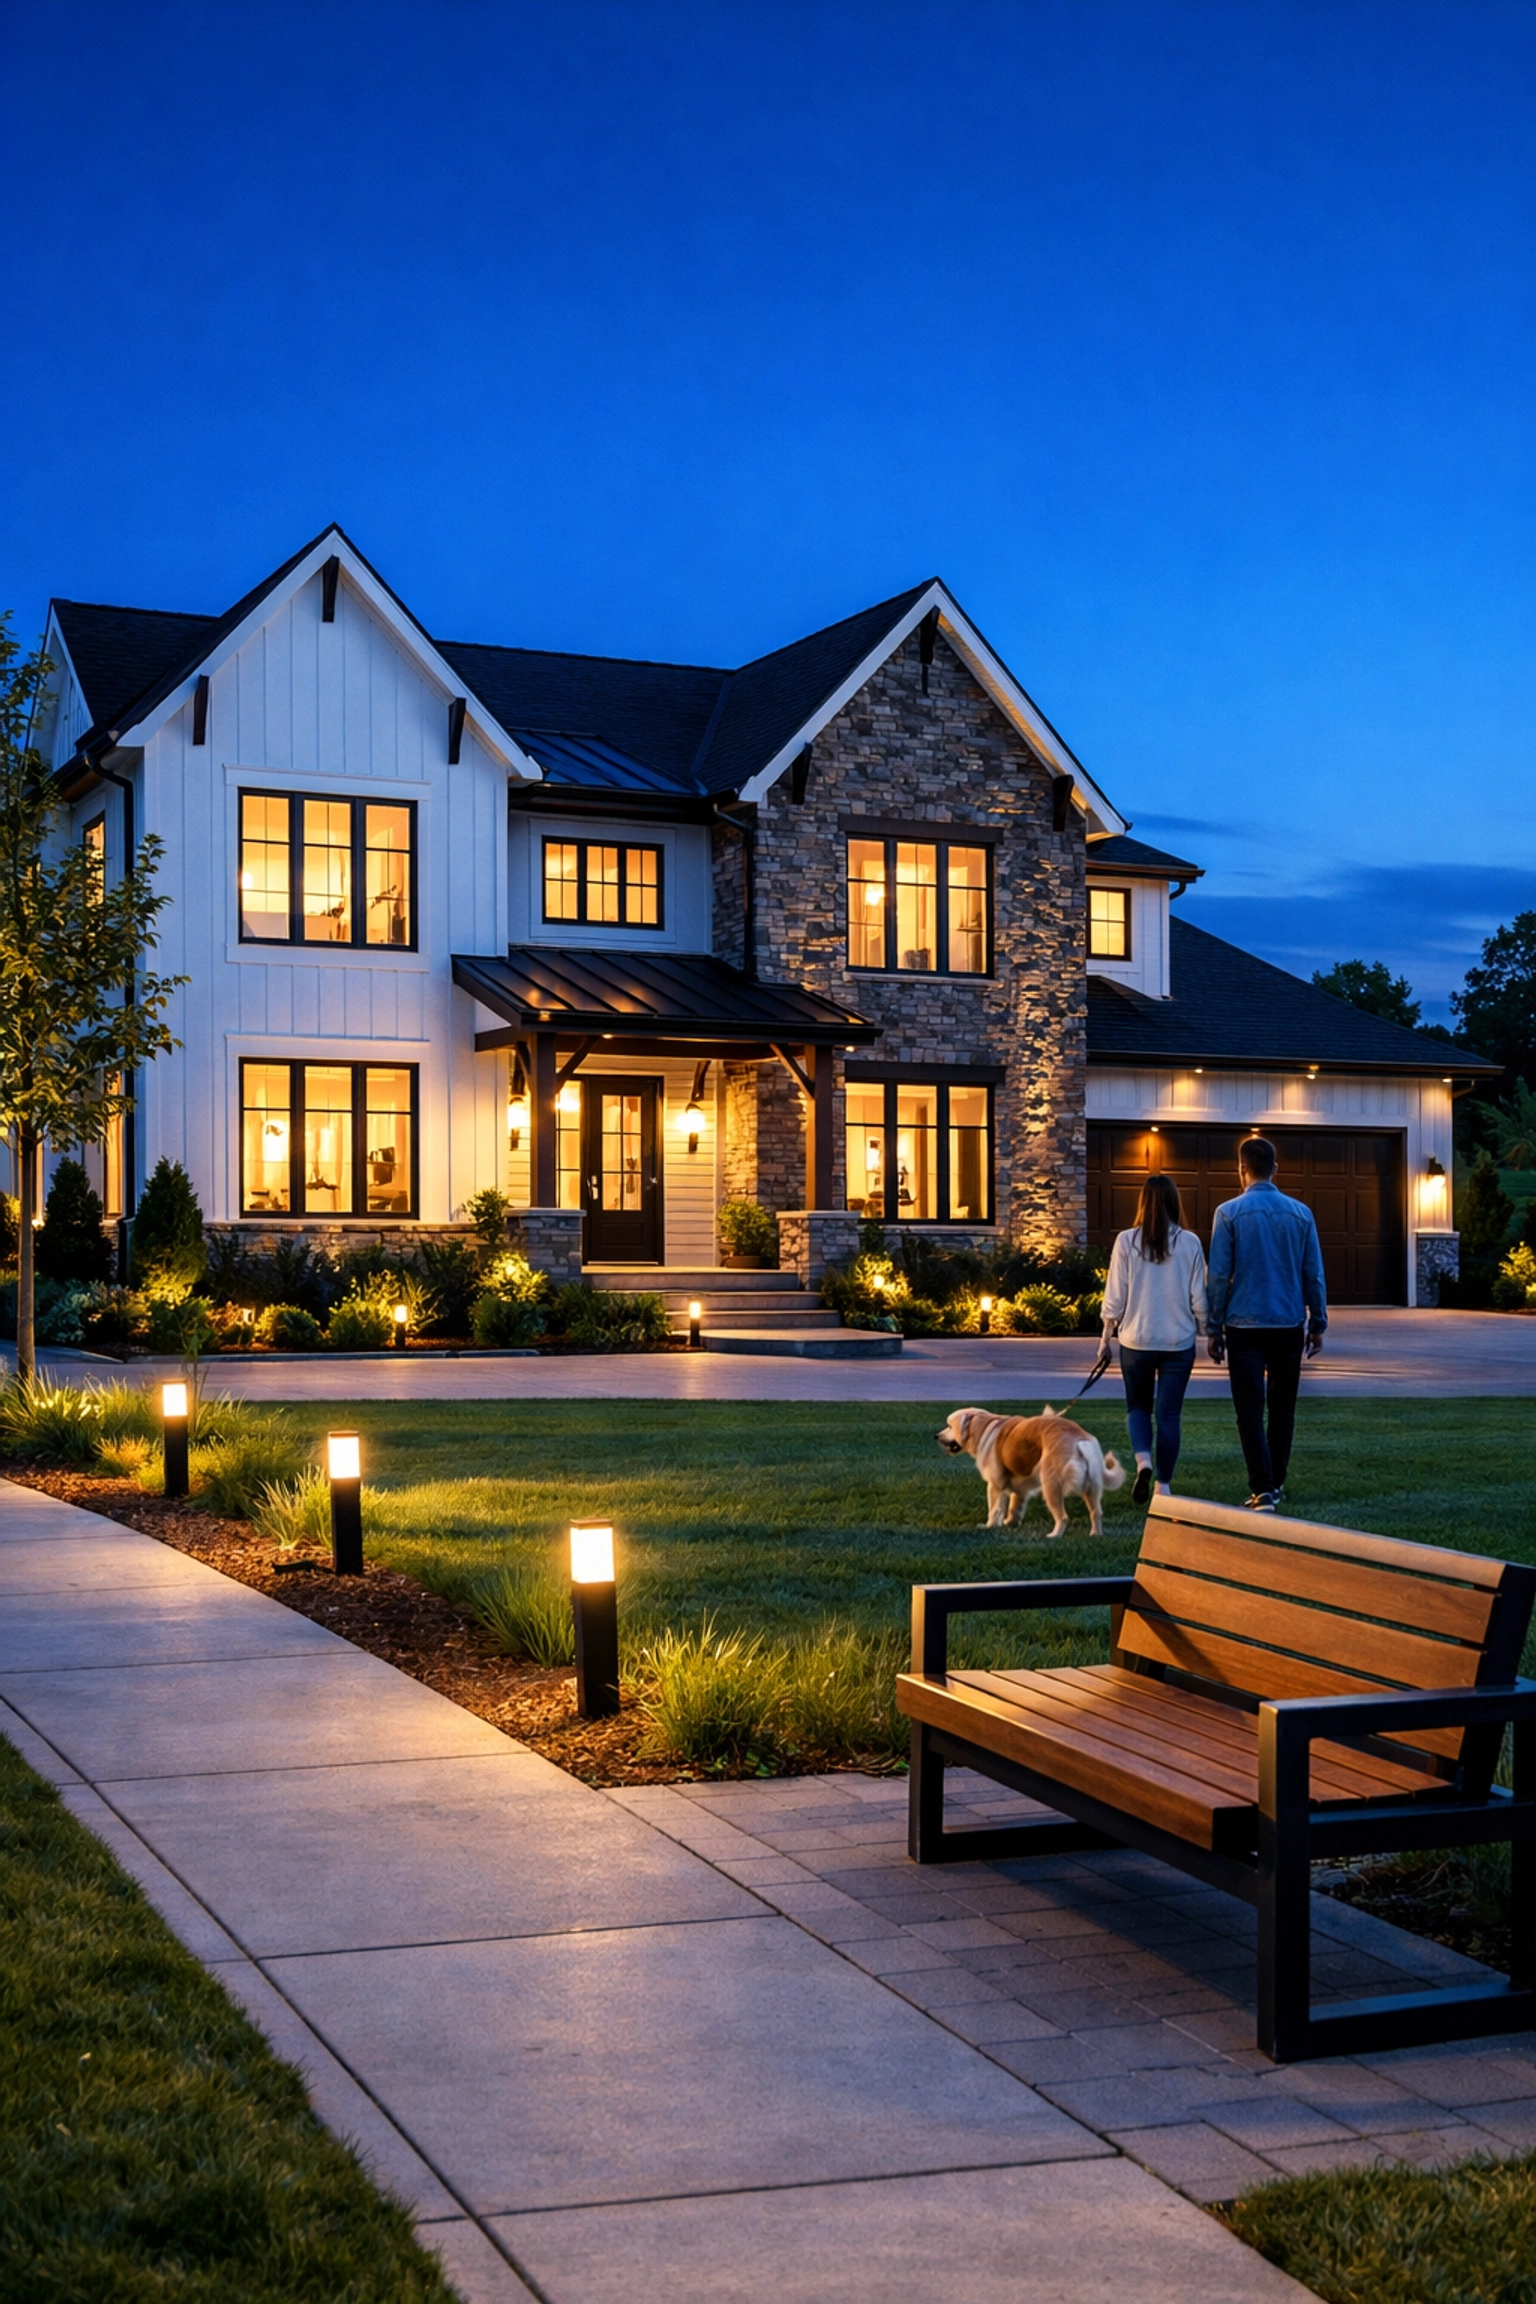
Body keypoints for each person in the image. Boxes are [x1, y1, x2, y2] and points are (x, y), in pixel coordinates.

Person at [1206, 1135, 1327, 1512]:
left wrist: (1213, 1326)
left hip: (1243, 1325)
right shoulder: (1301, 1213)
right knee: (1282, 1408)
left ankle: (1262, 1489)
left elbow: (1218, 1275)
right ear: (1275, 1169)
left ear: (1241, 1169)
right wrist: (1317, 1322)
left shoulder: (1228, 1213)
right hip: (1288, 1322)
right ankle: (1275, 1482)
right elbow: (1313, 1274)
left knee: (1249, 1410)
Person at [1101, 1172, 1208, 1506]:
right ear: (1175, 1203)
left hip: (1136, 1341)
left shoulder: (1126, 1241)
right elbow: (1199, 1298)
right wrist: (1209, 1331)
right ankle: (1163, 1485)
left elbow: (1114, 1296)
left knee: (1138, 1407)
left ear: (1143, 1204)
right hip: (1178, 1343)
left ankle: (1143, 1461)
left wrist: (1105, 1337)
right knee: (1169, 1415)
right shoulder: (1190, 1243)